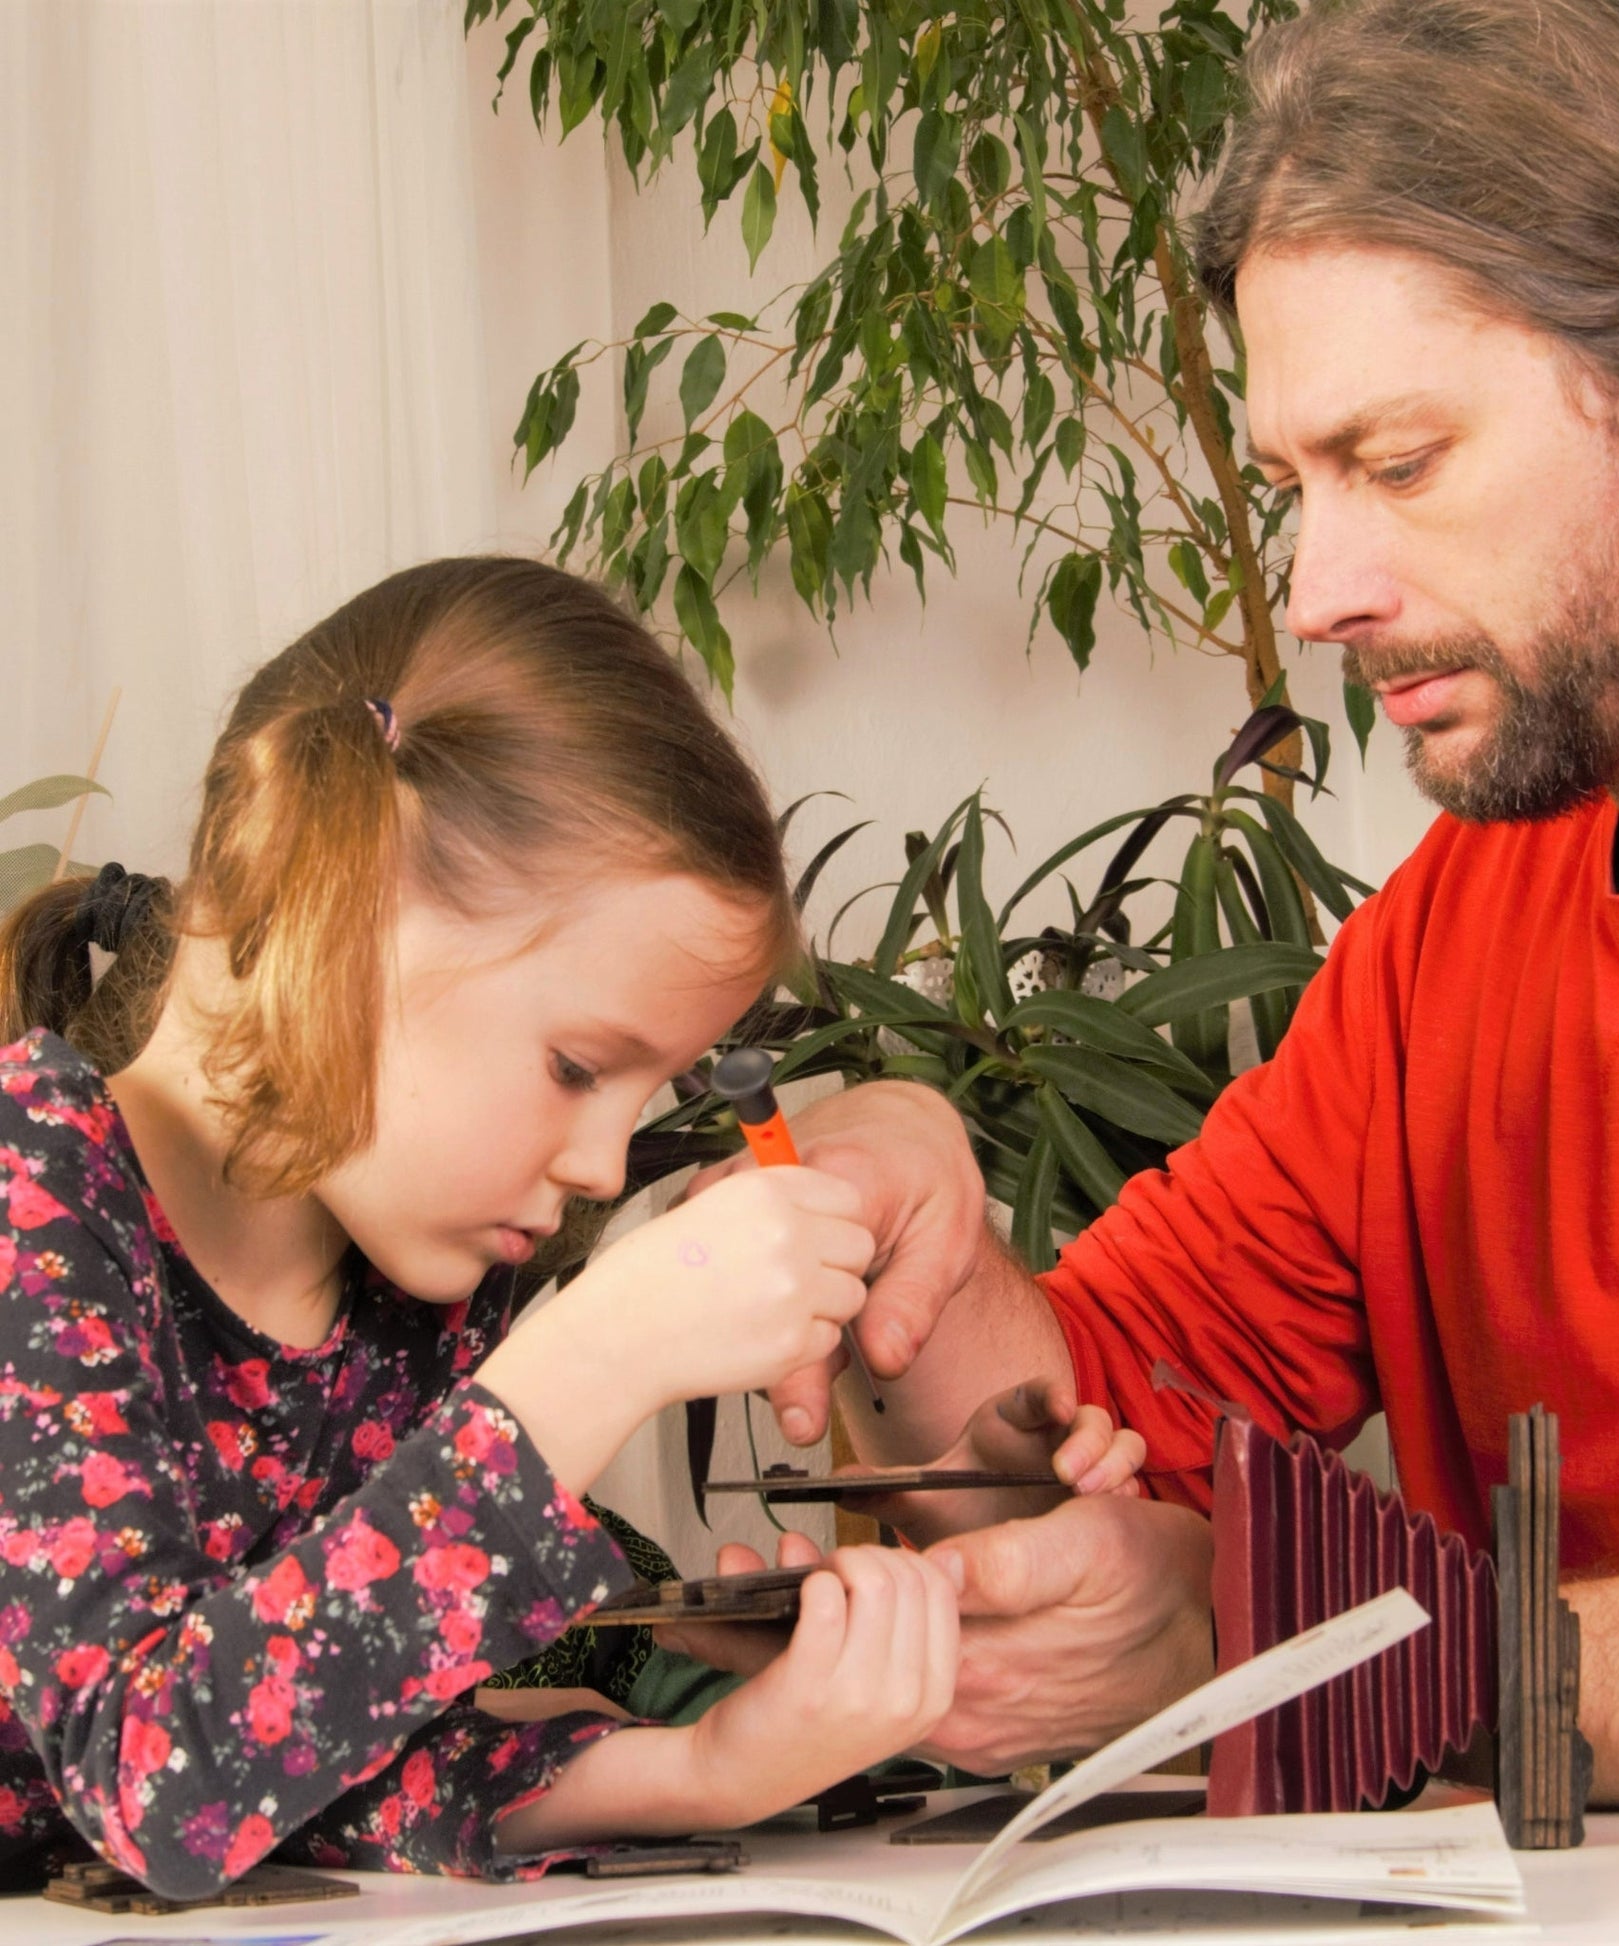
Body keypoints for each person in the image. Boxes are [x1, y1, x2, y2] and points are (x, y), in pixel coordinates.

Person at [668, 0, 1619, 1812]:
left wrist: (1326, 1657)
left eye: (1399, 462)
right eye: (1293, 486)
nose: (1318, 589)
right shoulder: (1453, 933)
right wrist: (900, 1241)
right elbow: (1096, 1437)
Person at [0, 556, 1141, 1897]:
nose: (603, 1166)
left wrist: (715, 1764)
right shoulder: (32, 1173)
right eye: (577, 1065)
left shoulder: (410, 1283)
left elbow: (321, 1754)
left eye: (644, 1093)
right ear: (334, 904)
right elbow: (156, 1779)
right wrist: (597, 1356)